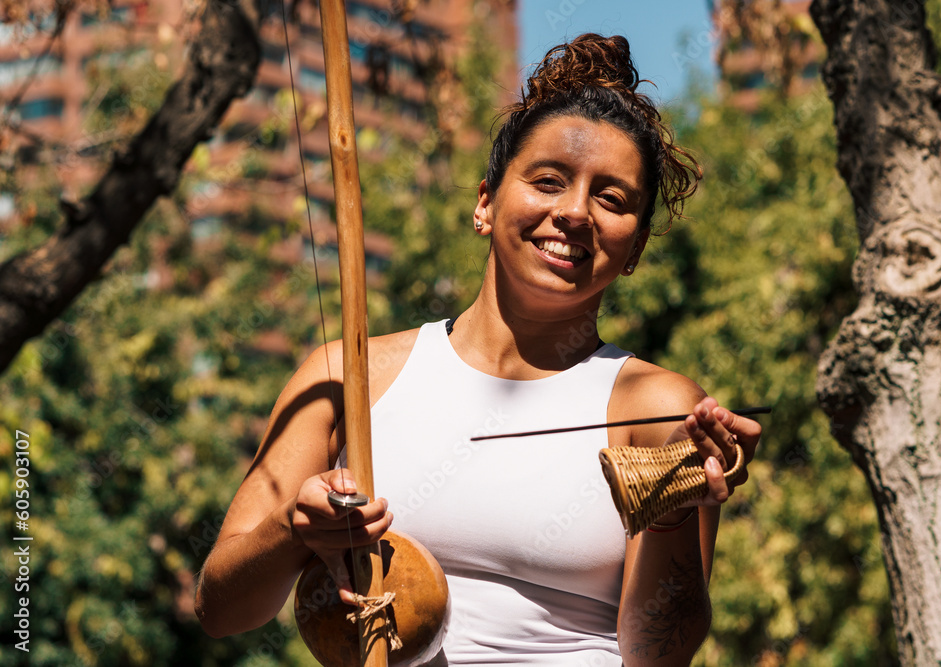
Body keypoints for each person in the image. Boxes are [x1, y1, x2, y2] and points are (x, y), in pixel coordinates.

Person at [195, 33, 762, 666]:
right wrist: (293, 530)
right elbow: (221, 611)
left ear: (635, 249)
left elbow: (660, 657)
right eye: (548, 181)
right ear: (486, 201)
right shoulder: (350, 376)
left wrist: (672, 509)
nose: (575, 213)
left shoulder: (657, 409)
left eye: (612, 199)